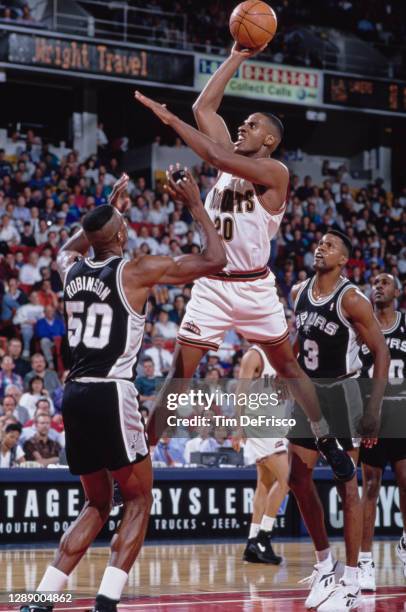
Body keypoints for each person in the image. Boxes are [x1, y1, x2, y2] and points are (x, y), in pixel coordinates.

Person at [135, 45, 356, 482]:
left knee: (290, 368)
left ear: (269, 142)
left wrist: (170, 120)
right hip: (213, 284)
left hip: (255, 286)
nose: (243, 126)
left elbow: (215, 156)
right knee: (178, 375)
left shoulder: (275, 173)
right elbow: (205, 105)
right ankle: (139, 460)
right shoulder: (230, 162)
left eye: (252, 125)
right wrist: (237, 55)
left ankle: (325, 437)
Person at [23, 171, 225, 612]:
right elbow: (214, 259)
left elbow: (65, 248)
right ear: (121, 232)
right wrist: (195, 204)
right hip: (113, 392)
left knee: (96, 503)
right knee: (137, 499)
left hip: (73, 395)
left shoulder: (70, 269)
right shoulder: (136, 270)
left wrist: (105, 212)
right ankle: (107, 600)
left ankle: (40, 600)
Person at [288, 230, 389, 610]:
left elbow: (380, 352)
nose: (320, 248)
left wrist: (374, 411)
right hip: (308, 393)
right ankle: (324, 565)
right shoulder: (298, 290)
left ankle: (350, 582)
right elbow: (300, 340)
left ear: (344, 259)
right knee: (297, 476)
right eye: (319, 243)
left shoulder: (352, 300)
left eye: (329, 246)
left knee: (348, 484)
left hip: (342, 394)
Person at [359, 274, 406, 590]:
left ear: (397, 292)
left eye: (385, 282)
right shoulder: (362, 326)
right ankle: (364, 561)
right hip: (371, 418)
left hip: (401, 413)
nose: (378, 285)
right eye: (374, 282)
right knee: (371, 486)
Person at [238, 345, 289, 565]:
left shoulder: (278, 354)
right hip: (259, 422)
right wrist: (238, 426)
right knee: (288, 478)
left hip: (274, 422)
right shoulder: (254, 355)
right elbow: (241, 392)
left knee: (265, 483)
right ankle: (264, 537)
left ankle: (252, 541)